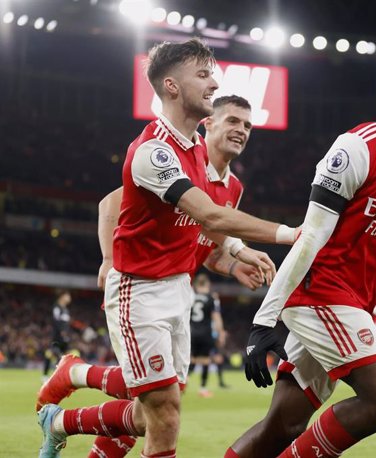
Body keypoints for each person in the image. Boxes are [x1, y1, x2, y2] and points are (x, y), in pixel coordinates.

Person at [37, 38, 298, 458]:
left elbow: (202, 229)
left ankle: (62, 417)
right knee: (164, 412)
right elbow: (202, 215)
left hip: (179, 287)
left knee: (149, 414)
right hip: (138, 288)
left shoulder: (200, 154)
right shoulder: (154, 152)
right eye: (203, 74)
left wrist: (234, 256)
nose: (213, 82)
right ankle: (74, 377)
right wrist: (289, 233)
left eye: (247, 125)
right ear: (172, 86)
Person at [226, 47, 376, 458]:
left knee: (283, 425)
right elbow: (310, 237)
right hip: (320, 294)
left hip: (353, 305)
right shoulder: (357, 147)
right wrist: (264, 321)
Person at [189, 273, 225, 398]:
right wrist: (220, 334)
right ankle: (203, 389)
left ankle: (183, 383)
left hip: (191, 332)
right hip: (205, 333)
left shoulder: (190, 297)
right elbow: (216, 317)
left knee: (191, 359)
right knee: (205, 361)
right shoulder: (212, 298)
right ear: (208, 284)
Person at [43, 290, 72, 379]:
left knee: (64, 357)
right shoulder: (57, 307)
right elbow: (56, 321)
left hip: (65, 337)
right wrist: (61, 332)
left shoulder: (66, 310)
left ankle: (59, 376)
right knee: (51, 354)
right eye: (68, 296)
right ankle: (45, 376)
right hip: (57, 337)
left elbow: (66, 324)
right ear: (62, 296)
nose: (69, 298)